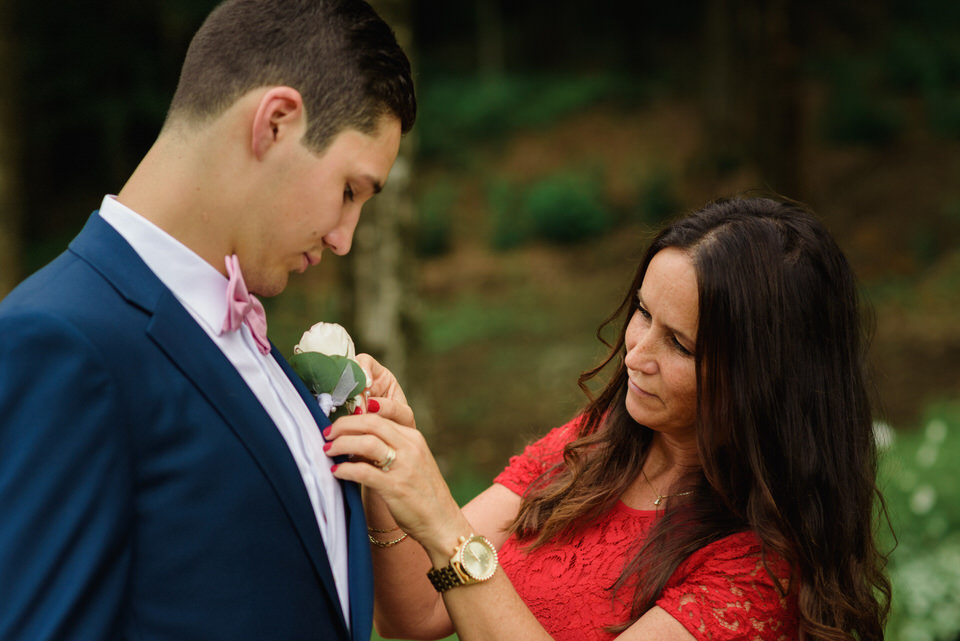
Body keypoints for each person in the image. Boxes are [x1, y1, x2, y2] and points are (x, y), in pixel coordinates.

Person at [0, 1, 415, 640]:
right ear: (275, 122)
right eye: (350, 192)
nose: (343, 239)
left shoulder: (260, 346)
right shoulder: (59, 340)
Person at [326, 197, 892, 641]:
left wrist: (445, 528)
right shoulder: (594, 443)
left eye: (681, 345)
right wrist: (387, 450)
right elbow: (416, 614)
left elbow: (450, 553)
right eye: (643, 313)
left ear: (764, 380)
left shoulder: (761, 571)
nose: (637, 354)